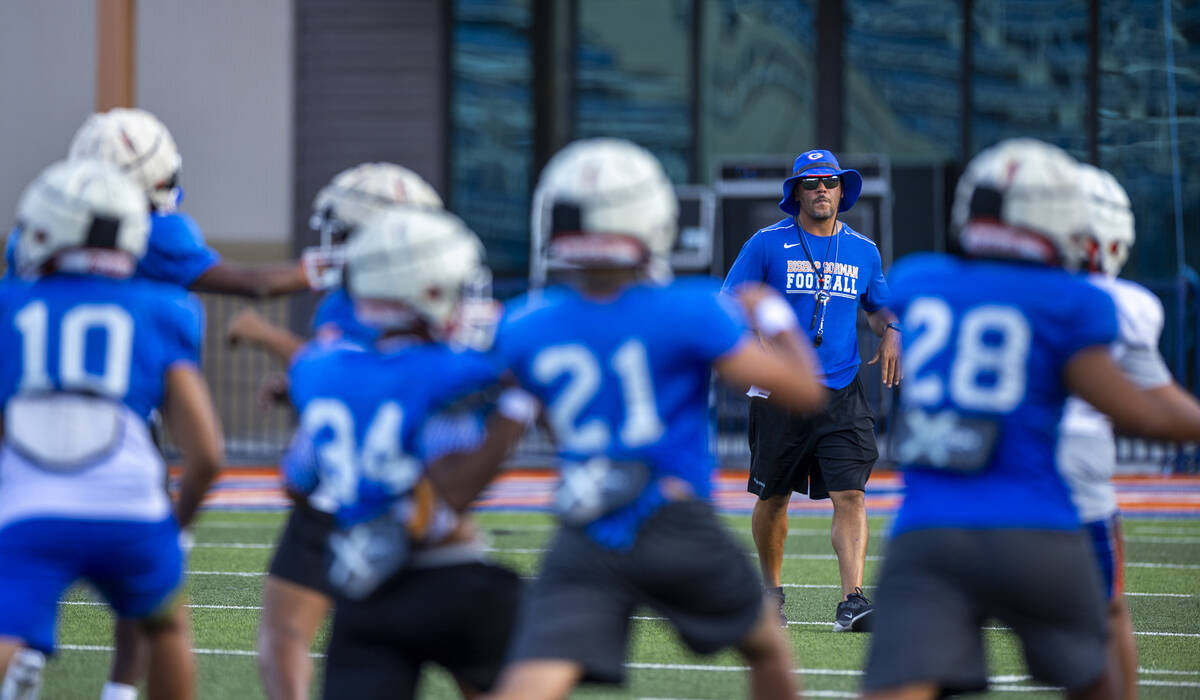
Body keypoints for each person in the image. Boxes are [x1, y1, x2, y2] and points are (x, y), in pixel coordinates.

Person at [485, 138, 826, 700]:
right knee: (766, 646)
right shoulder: (690, 308)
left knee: (536, 676)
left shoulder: (525, 323)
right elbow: (804, 390)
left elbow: (540, 417)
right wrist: (768, 309)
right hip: (672, 516)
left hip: (587, 522)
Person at [862, 138, 1200, 700]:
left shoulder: (919, 281)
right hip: (1036, 528)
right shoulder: (1073, 300)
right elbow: (1138, 411)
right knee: (1100, 680)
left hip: (929, 531)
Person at [283, 205, 530, 699]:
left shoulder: (319, 368)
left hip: (365, 589)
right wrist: (516, 409)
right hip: (450, 572)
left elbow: (299, 479)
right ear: (430, 289)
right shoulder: (455, 370)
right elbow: (453, 482)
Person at [0, 159, 224, 700]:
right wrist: (176, 526)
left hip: (31, 509)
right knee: (166, 625)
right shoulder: (165, 308)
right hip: (130, 510)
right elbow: (208, 455)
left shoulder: (10, 304)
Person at [221, 162, 445, 700]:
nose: (337, 243)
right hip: (427, 484)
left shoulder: (351, 300)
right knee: (460, 642)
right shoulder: (439, 294)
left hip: (348, 487)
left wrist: (261, 333)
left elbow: (350, 376)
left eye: (345, 232)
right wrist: (293, 385)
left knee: (285, 631)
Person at [721, 147, 900, 630]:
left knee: (852, 495)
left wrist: (893, 333)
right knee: (774, 497)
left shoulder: (864, 249)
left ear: (843, 191)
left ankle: (852, 600)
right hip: (781, 390)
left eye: (830, 181)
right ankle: (770, 592)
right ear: (796, 192)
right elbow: (730, 301)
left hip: (842, 390)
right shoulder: (765, 242)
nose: (821, 189)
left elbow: (880, 305)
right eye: (811, 182)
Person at [1058, 163, 1200, 700]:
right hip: (1075, 485)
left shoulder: (959, 283)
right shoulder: (1118, 305)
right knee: (1108, 614)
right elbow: (1149, 412)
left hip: (961, 494)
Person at [4, 108, 312, 299]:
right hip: (117, 396)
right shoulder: (159, 235)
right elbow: (254, 284)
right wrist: (326, 268)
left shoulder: (30, 231)